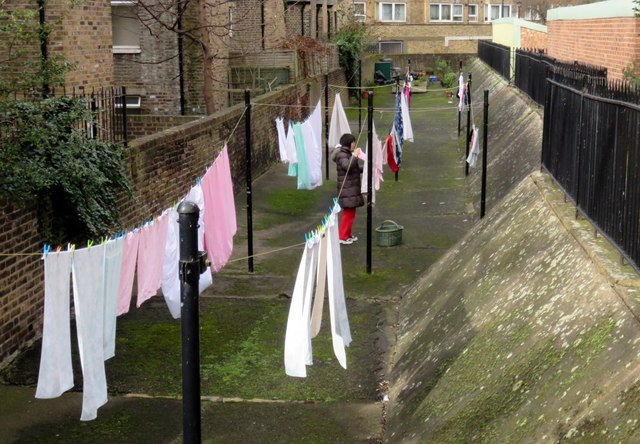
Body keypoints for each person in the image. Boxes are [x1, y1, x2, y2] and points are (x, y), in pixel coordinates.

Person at [332, 133, 364, 245]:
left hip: (350, 189)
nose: (355, 144)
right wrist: (355, 156)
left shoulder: (346, 154)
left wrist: (366, 168)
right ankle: (343, 236)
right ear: (349, 143)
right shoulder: (342, 155)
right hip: (347, 189)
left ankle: (347, 234)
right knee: (348, 214)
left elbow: (354, 168)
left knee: (351, 213)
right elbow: (348, 166)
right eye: (353, 142)